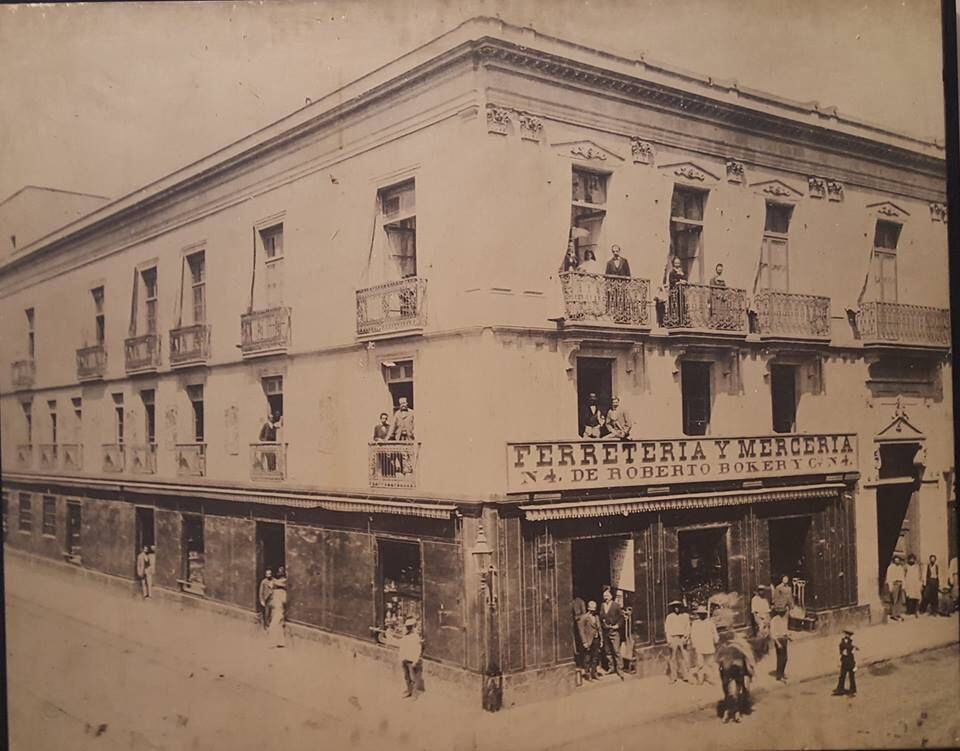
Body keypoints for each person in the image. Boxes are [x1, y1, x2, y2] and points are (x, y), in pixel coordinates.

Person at [600, 586, 625, 681]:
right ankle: (611, 668)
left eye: (607, 595)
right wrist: (603, 624)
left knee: (616, 651)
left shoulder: (616, 605)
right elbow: (601, 616)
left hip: (614, 631)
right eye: (604, 595)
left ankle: (620, 670)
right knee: (608, 651)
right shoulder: (602, 605)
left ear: (611, 596)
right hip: (606, 631)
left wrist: (617, 626)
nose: (605, 597)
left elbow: (621, 618)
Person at [690, 605, 718, 685]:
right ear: (698, 615)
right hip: (700, 646)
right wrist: (694, 644)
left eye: (703, 614)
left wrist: (716, 640)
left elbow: (715, 633)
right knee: (700, 664)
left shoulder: (710, 623)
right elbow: (693, 634)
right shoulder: (695, 624)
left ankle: (712, 679)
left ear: (705, 614)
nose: (701, 615)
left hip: (709, 646)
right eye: (700, 614)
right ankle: (700, 679)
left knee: (710, 664)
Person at [664, 600, 690, 683]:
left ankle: (685, 676)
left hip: (682, 638)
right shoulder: (670, 617)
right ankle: (673, 677)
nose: (676, 608)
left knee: (683, 658)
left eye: (678, 606)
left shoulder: (685, 616)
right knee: (673, 658)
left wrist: (686, 637)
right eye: (675, 606)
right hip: (673, 638)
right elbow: (667, 629)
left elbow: (688, 627)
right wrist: (669, 640)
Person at [399, 617, 425, 699]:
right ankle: (409, 691)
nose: (408, 628)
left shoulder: (415, 637)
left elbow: (418, 650)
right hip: (404, 659)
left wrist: (415, 661)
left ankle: (414, 694)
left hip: (411, 660)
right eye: (407, 626)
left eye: (410, 626)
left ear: (413, 627)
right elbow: (402, 647)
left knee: (413, 678)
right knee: (406, 677)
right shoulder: (405, 636)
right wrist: (401, 658)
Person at [578, 600, 603, 681]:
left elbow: (599, 629)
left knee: (595, 657)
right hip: (588, 640)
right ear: (588, 608)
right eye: (591, 609)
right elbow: (581, 630)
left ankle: (594, 673)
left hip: (596, 639)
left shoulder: (596, 617)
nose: (593, 611)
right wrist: (584, 642)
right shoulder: (584, 617)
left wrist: (601, 640)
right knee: (587, 658)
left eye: (594, 609)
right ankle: (587, 674)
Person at [832, 629, 858, 697]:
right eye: (846, 634)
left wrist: (854, 665)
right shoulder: (843, 642)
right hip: (844, 661)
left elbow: (852, 653)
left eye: (848, 635)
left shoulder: (850, 643)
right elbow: (841, 648)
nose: (846, 635)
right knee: (842, 676)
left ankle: (853, 690)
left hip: (850, 662)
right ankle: (840, 689)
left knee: (851, 677)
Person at [770, 610, 791, 682]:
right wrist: (778, 643)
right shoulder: (774, 620)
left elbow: (784, 631)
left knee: (785, 658)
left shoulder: (783, 620)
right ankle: (779, 676)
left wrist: (788, 637)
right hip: (779, 640)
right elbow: (773, 634)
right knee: (780, 659)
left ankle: (782, 673)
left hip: (784, 639)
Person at [268, 573, 288, 647]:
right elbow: (284, 602)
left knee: (272, 626)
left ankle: (272, 643)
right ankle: (281, 642)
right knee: (280, 626)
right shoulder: (282, 592)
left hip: (278, 611)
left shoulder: (278, 593)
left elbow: (280, 602)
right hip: (280, 611)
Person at [885, 555, 906, 621]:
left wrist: (903, 585)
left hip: (900, 584)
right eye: (896, 560)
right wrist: (890, 587)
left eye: (898, 560)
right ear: (894, 560)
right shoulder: (890, 568)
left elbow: (902, 577)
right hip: (894, 584)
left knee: (899, 600)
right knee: (894, 600)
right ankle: (893, 614)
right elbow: (889, 578)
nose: (897, 561)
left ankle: (898, 613)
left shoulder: (900, 567)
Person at [571, 597, 587, 678]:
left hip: (579, 627)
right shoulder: (568, 600)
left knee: (581, 646)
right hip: (572, 627)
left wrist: (577, 618)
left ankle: (582, 665)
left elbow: (583, 615)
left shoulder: (580, 601)